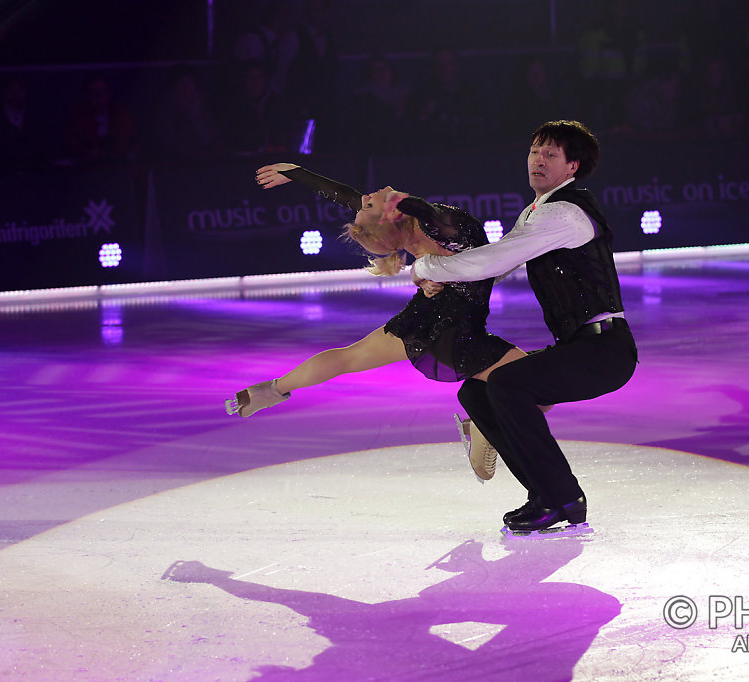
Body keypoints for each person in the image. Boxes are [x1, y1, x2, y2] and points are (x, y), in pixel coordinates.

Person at [226, 163, 533, 480]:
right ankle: (486, 423)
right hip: (455, 335)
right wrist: (415, 240)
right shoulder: (434, 223)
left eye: (366, 202)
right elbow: (429, 216)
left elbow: (345, 196)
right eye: (371, 204)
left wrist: (297, 172)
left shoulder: (409, 225)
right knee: (541, 388)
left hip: (424, 319)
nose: (367, 196)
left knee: (350, 356)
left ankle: (271, 390)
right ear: (390, 215)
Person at [408, 120, 638, 534]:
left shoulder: (566, 213)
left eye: (551, 154)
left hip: (605, 350)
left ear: (573, 167)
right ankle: (544, 493)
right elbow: (496, 264)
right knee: (477, 391)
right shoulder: (537, 212)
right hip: (576, 348)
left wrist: (428, 266)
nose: (539, 159)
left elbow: (494, 261)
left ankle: (563, 497)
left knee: (508, 384)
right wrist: (439, 274)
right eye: (535, 150)